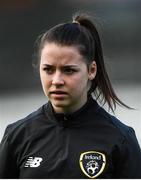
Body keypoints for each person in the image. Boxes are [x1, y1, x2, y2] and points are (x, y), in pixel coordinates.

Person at [0, 12, 141, 179]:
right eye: (48, 69)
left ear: (91, 70)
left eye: (69, 70)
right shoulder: (17, 136)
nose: (57, 80)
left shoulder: (120, 139)